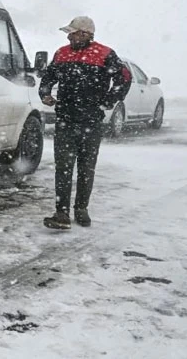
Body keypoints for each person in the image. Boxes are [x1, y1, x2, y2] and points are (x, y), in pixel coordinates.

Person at [39, 16, 132, 229]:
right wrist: (45, 94)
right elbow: (47, 79)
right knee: (63, 167)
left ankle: (81, 209)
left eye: (73, 32)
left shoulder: (105, 54)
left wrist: (107, 101)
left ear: (86, 34)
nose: (69, 36)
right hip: (66, 120)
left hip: (91, 121)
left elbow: (124, 78)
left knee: (86, 167)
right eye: (69, 33)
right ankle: (61, 213)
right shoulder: (61, 53)